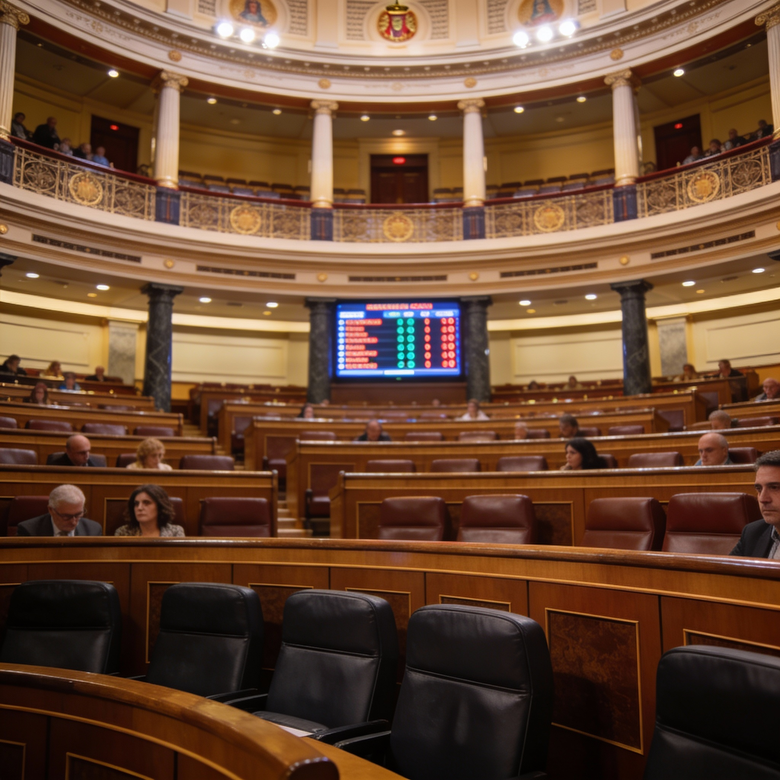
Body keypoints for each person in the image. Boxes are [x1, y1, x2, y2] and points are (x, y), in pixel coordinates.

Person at [730, 451, 780, 557]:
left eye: (775, 487)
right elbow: (725, 573)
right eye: (759, 489)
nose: (762, 499)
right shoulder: (753, 533)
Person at [16, 484, 102, 537]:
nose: (73, 522)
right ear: (51, 510)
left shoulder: (93, 530)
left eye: (78, 515)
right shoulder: (28, 530)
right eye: (66, 516)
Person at [114, 484, 185, 538]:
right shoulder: (123, 533)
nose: (139, 508)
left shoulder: (175, 532)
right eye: (136, 504)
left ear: (159, 506)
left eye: (146, 503)